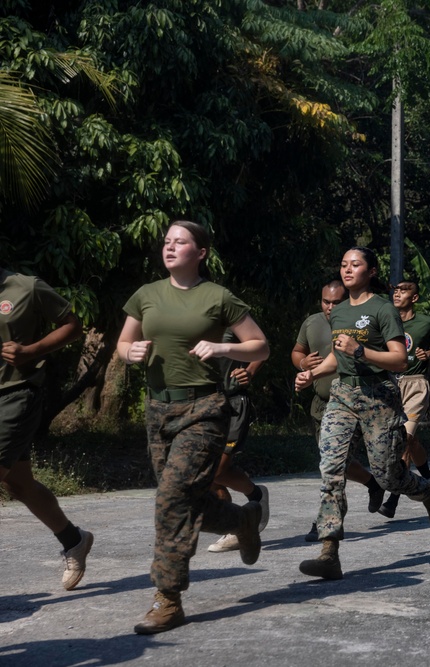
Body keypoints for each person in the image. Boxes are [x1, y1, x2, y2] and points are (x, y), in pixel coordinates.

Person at [118, 220, 270, 634]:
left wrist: (223, 347)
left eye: (180, 241)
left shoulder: (217, 297)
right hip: (157, 410)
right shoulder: (146, 295)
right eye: (167, 241)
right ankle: (242, 521)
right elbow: (122, 344)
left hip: (203, 408)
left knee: (171, 499)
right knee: (184, 503)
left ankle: (168, 598)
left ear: (200, 252)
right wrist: (129, 352)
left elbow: (261, 345)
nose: (170, 247)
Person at [295, 247, 430, 580]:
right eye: (344, 264)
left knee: (386, 475)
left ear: (372, 271)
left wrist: (361, 350)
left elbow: (399, 360)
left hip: (379, 396)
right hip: (343, 394)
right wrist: (313, 374)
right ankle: (329, 551)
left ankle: (426, 490)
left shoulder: (383, 309)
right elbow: (338, 357)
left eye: (356, 264)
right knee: (330, 467)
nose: (348, 269)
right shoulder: (341, 311)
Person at [0, 267, 91, 591]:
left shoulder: (26, 287)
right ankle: (74, 539)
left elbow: (73, 326)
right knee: (19, 485)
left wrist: (30, 351)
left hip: (16, 393)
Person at [292, 280, 384, 542]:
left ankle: (326, 523)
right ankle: (371, 483)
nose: (330, 307)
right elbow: (297, 351)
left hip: (351, 401)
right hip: (320, 404)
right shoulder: (312, 322)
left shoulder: (360, 320)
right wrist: (302, 363)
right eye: (326, 301)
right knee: (331, 463)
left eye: (336, 302)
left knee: (333, 465)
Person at [377, 276, 430, 518]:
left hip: (416, 385)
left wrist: (429, 353)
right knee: (409, 441)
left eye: (404, 290)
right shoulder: (384, 320)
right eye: (395, 290)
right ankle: (428, 478)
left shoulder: (426, 323)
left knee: (405, 439)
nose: (397, 294)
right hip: (390, 385)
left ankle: (393, 498)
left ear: (414, 298)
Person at [205, 330, 268, 553]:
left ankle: (256, 497)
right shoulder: (187, 316)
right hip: (202, 404)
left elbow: (262, 348)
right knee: (207, 472)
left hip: (233, 403)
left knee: (218, 470)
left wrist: (249, 371)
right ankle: (234, 529)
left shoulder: (231, 316)